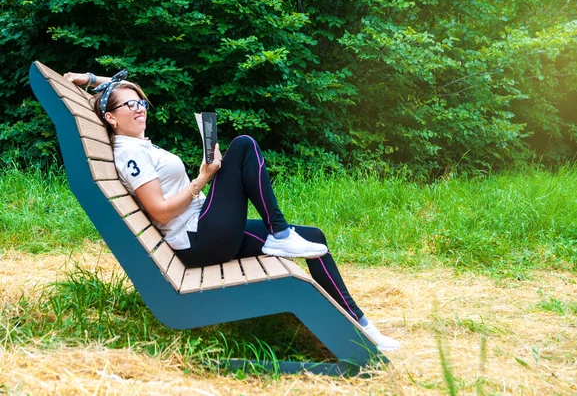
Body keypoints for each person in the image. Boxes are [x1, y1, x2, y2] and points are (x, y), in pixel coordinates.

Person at [63, 70, 400, 352]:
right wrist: (201, 179)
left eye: (142, 103)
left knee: (314, 238)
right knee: (242, 146)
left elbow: (118, 92)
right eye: (131, 105)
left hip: (202, 230)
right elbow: (161, 213)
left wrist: (91, 79)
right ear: (110, 117)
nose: (141, 108)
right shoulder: (130, 155)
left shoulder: (134, 142)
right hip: (196, 239)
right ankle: (280, 233)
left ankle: (361, 325)